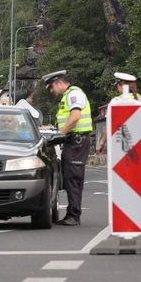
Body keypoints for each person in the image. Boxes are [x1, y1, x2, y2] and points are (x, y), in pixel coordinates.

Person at [42, 69, 93, 226]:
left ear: (59, 83)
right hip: (73, 142)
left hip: (76, 142)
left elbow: (75, 117)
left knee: (73, 178)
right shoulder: (69, 96)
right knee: (71, 177)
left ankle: (73, 216)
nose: (52, 91)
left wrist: (59, 135)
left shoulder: (73, 94)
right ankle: (72, 213)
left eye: (52, 87)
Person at [95, 72, 141, 163]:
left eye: (117, 85)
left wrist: (101, 143)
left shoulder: (115, 102)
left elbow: (109, 127)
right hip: (138, 146)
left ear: (120, 85)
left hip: (119, 145)